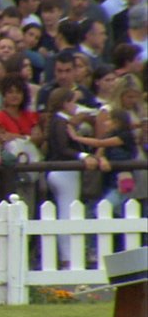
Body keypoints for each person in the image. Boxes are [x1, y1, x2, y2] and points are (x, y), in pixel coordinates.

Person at [45, 88, 99, 269]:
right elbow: (62, 149)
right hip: (64, 172)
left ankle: (68, 255)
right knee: (66, 213)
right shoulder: (60, 122)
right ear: (65, 103)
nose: (75, 106)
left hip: (64, 173)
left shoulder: (61, 121)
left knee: (66, 211)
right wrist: (83, 156)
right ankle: (67, 257)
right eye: (72, 102)